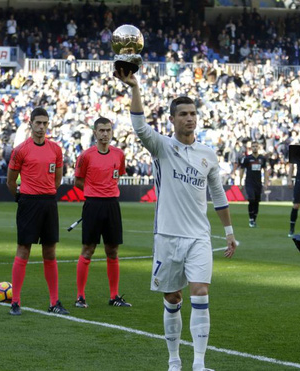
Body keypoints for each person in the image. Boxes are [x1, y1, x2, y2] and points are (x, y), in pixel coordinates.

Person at [116, 70, 237, 371]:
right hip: (167, 236)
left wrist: (230, 232)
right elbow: (139, 126)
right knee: (172, 296)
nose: (189, 118)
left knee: (200, 291)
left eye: (193, 113)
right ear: (172, 119)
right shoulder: (162, 147)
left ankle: (198, 363)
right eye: (183, 114)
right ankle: (173, 361)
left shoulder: (207, 154)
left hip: (199, 237)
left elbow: (218, 195)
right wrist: (135, 88)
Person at [6, 107, 68, 316]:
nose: (41, 127)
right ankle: (15, 302)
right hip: (28, 203)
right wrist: (21, 197)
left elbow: (57, 179)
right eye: (38, 123)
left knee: (49, 251)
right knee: (24, 250)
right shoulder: (21, 149)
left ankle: (54, 301)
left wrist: (46, 192)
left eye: (45, 123)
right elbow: (10, 181)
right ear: (30, 124)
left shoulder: (56, 150)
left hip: (49, 202)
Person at [74, 117, 131, 309]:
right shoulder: (86, 155)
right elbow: (78, 181)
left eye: (108, 130)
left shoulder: (119, 154)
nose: (105, 134)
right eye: (102, 130)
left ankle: (114, 296)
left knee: (112, 250)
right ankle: (80, 296)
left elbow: (118, 175)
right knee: (88, 250)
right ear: (95, 132)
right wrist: (94, 192)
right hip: (93, 205)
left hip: (112, 205)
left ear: (112, 132)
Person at [239, 141, 269, 228]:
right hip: (249, 182)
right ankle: (251, 219)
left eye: (256, 146)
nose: (255, 148)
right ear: (251, 148)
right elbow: (242, 170)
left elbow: (265, 170)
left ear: (258, 147)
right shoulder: (247, 158)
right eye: (253, 146)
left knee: (256, 202)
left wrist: (266, 182)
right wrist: (240, 183)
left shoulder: (262, 158)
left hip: (258, 183)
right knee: (251, 199)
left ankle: (254, 219)